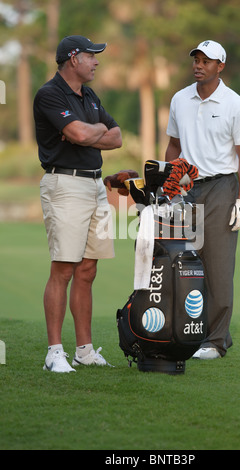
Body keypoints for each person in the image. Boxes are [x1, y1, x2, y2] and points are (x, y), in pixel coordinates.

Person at [33, 35, 122, 373]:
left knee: (88, 270)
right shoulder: (50, 94)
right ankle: (54, 352)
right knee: (64, 269)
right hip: (64, 184)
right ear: (73, 59)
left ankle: (83, 350)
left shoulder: (89, 95)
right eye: (91, 56)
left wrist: (90, 130)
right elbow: (83, 136)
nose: (97, 61)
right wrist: (92, 131)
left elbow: (116, 136)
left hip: (95, 184)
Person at [165, 40, 240, 360]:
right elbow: (174, 147)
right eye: (196, 59)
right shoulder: (179, 99)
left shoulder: (236, 105)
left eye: (207, 61)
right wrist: (170, 189)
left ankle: (216, 342)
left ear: (221, 67)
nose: (199, 65)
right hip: (186, 189)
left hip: (221, 188)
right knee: (187, 265)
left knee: (217, 267)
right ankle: (196, 333)